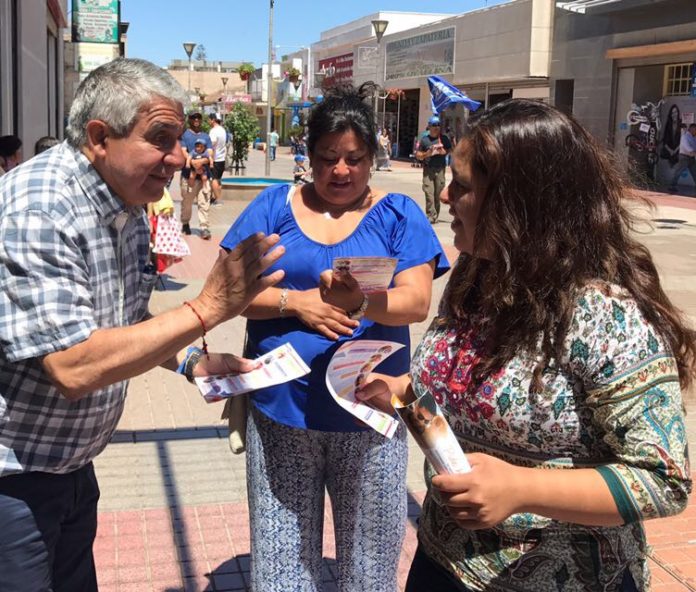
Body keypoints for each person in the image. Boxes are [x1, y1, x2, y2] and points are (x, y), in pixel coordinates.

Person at [357, 99, 694, 592]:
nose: (444, 196)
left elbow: (664, 480)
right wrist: (408, 398)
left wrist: (522, 489)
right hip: (443, 562)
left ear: (520, 202)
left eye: (463, 186)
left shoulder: (607, 315)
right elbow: (472, 399)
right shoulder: (475, 275)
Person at [0, 57, 285, 592]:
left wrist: (190, 360)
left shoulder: (127, 204)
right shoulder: (38, 209)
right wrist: (206, 309)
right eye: (161, 139)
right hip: (15, 480)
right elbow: (72, 365)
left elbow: (126, 319)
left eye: (180, 139)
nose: (179, 157)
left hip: (70, 467)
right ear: (99, 137)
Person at [220, 82, 450, 592]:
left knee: (369, 562)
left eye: (354, 158)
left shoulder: (398, 214)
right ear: (309, 154)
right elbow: (225, 292)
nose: (340, 171)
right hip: (283, 409)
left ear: (372, 157)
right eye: (327, 158)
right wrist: (295, 303)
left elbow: (415, 301)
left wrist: (358, 302)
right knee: (281, 561)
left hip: (369, 413)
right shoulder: (273, 207)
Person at [180, 111, 213, 239]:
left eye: (199, 117)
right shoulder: (185, 136)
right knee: (187, 202)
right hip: (189, 176)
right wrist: (192, 163)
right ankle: (185, 223)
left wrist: (199, 162)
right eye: (194, 117)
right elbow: (183, 151)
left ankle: (204, 227)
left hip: (204, 176)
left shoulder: (206, 136)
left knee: (204, 201)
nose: (196, 119)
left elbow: (210, 153)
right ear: (189, 119)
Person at [416, 115, 452, 224]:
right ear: (429, 126)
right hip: (428, 170)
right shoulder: (425, 140)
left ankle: (435, 214)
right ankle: (431, 215)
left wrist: (444, 152)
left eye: (438, 125)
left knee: (438, 194)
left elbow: (450, 149)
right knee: (429, 193)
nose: (436, 127)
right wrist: (427, 154)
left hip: (440, 169)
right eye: (434, 125)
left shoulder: (444, 139)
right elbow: (418, 154)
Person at [668, 123, 696, 193]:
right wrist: (692, 152)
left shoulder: (694, 138)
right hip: (684, 157)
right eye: (695, 129)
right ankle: (672, 186)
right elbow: (686, 147)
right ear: (692, 129)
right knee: (678, 172)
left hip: (691, 158)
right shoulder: (685, 136)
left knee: (695, 172)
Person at [208, 112, 227, 204]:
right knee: (218, 179)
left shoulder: (214, 131)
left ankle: (218, 199)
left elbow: (212, 145)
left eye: (209, 119)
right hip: (221, 159)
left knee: (213, 179)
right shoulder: (222, 130)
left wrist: (211, 160)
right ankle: (216, 198)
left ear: (213, 120)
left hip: (215, 159)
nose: (208, 121)